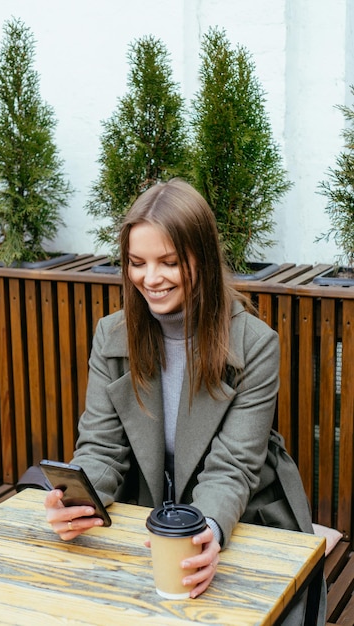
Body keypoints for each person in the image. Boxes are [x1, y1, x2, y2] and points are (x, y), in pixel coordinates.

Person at [41, 178, 324, 623]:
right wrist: (79, 500)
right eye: (137, 263)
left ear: (204, 260)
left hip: (245, 516)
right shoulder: (112, 335)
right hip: (148, 515)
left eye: (169, 262)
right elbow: (101, 449)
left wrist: (205, 530)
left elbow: (233, 467)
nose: (149, 279)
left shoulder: (255, 345)